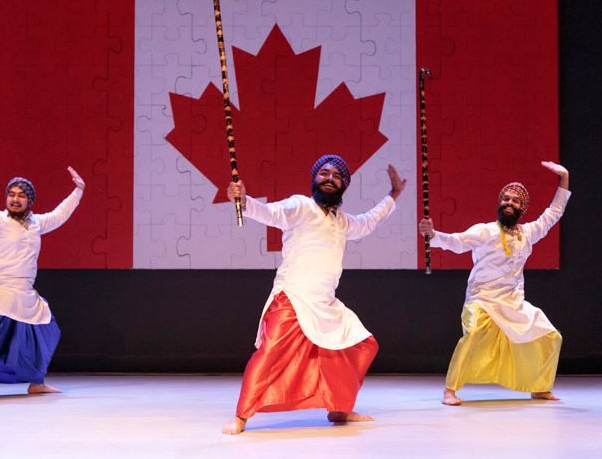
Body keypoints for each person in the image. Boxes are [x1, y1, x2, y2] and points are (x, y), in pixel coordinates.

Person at [222, 154, 407, 434]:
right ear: (314, 180)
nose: (329, 178)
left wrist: (393, 195)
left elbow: (369, 221)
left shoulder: (342, 221)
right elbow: (272, 213)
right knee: (270, 354)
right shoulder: (301, 205)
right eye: (323, 173)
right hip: (292, 298)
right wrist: (245, 201)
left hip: (326, 303)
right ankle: (241, 416)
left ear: (344, 185)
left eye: (336, 175)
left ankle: (339, 408)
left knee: (361, 344)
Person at [418, 161, 570, 405]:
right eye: (505, 199)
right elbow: (456, 242)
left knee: (551, 336)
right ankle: (450, 390)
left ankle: (540, 387)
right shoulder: (485, 231)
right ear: (500, 203)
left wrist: (564, 178)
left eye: (515, 201)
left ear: (522, 208)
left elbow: (554, 213)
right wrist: (433, 235)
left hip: (513, 304)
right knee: (474, 332)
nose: (509, 203)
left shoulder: (528, 233)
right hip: (482, 300)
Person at [0, 166, 85, 403]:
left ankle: (36, 383)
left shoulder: (37, 223)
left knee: (47, 328)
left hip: (24, 292)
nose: (15, 199)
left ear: (29, 201)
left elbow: (61, 213)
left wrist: (79, 190)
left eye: (21, 195)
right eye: (12, 194)